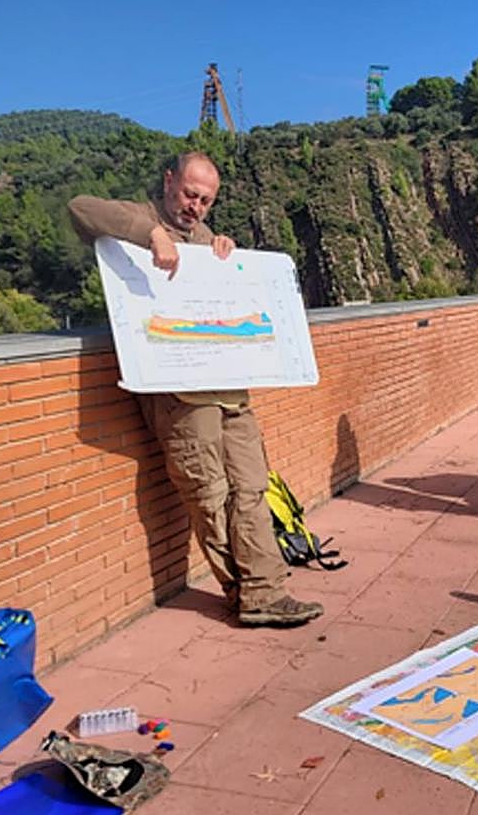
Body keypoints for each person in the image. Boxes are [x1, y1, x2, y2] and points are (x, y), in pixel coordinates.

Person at [68, 152, 324, 627]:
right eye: (189, 194)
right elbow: (81, 207)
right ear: (168, 181)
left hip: (231, 391)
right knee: (210, 495)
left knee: (250, 490)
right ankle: (248, 594)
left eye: (205, 200)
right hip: (180, 398)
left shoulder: (206, 238)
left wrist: (224, 253)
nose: (196, 207)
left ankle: (267, 590)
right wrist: (151, 234)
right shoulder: (141, 218)